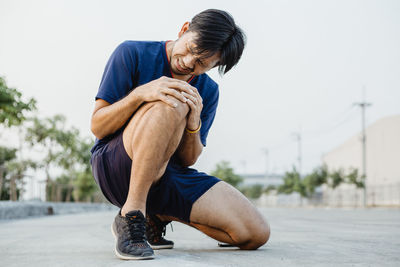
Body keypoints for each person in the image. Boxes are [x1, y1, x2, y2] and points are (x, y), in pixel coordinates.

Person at [90, 9, 270, 260]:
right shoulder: (131, 52)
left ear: (215, 65)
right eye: (191, 49)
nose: (188, 62)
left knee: (255, 233)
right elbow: (98, 125)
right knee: (172, 99)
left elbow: (188, 160)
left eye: (203, 63)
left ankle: (158, 214)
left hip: (167, 177)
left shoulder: (208, 91)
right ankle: (131, 215)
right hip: (117, 167)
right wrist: (142, 94)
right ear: (184, 29)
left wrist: (193, 123)